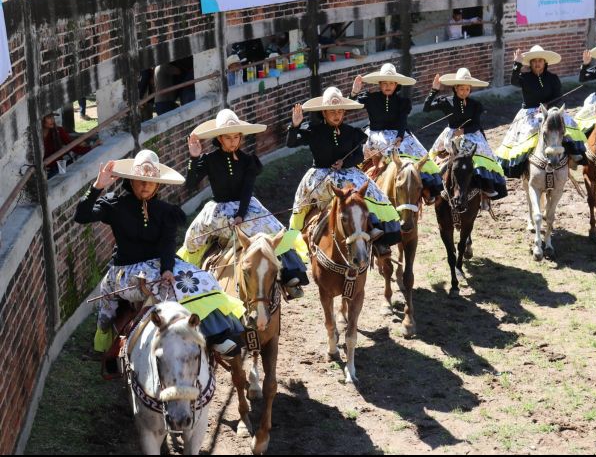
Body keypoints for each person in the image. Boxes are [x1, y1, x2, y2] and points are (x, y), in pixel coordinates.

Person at [74, 150, 246, 357]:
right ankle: (103, 348)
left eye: (151, 181)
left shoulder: (166, 211)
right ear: (131, 181)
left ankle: (220, 334)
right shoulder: (114, 205)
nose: (145, 185)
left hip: (161, 264)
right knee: (165, 290)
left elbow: (167, 243)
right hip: (125, 271)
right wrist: (97, 187)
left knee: (200, 278)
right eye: (140, 180)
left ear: (158, 184)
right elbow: (81, 216)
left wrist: (167, 269)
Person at [179, 109, 308, 299]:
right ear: (219, 138)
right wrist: (194, 157)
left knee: (275, 229)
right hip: (217, 210)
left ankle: (290, 275)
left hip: (246, 207)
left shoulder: (249, 161)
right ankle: (193, 280)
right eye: (228, 137)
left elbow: (247, 189)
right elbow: (190, 185)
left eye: (236, 137)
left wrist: (240, 214)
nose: (233, 141)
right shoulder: (208, 160)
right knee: (192, 239)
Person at [287, 87, 402, 255]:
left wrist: (345, 162)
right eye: (332, 111)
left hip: (349, 173)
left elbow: (358, 156)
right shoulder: (313, 131)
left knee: (371, 190)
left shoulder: (352, 132)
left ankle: (376, 231)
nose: (337, 115)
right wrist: (295, 125)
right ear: (324, 112)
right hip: (320, 175)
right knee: (303, 203)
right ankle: (295, 244)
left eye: (340, 111)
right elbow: (291, 143)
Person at [351, 63, 442, 202]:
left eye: (391, 83)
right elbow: (350, 107)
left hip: (398, 133)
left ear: (396, 84)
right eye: (385, 83)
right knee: (392, 151)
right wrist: (354, 92)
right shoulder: (370, 98)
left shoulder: (403, 102)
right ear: (380, 84)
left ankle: (426, 185)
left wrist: (400, 135)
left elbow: (402, 121)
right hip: (376, 134)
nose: (388, 86)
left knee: (420, 152)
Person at [495, 45, 586, 178]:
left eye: (540, 61)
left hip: (550, 111)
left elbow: (558, 97)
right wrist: (517, 64)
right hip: (530, 112)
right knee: (529, 131)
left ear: (545, 62)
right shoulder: (524, 77)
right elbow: (513, 81)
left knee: (568, 123)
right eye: (534, 61)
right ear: (530, 64)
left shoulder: (553, 78)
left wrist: (548, 105)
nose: (537, 64)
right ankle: (522, 165)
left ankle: (572, 153)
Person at [425, 67, 508, 209]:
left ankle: (485, 187)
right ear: (455, 88)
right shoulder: (447, 102)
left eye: (467, 89)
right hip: (452, 134)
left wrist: (463, 130)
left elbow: (476, 124)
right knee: (434, 156)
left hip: (472, 134)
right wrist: (434, 90)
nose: (464, 92)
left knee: (482, 151)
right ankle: (435, 187)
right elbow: (427, 108)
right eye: (461, 89)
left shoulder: (476, 105)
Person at [41, 113, 100, 178]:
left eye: (53, 117)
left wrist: (92, 147)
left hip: (57, 168)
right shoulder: (34, 138)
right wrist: (39, 168)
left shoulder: (58, 131)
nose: (52, 120)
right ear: (41, 120)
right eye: (49, 118)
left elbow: (73, 146)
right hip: (42, 171)